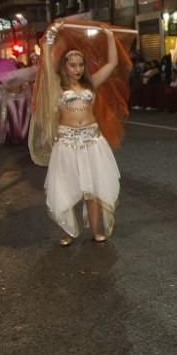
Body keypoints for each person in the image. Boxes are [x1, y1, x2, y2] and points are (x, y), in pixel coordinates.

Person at [31, 22, 131, 246]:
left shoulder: (91, 83)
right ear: (64, 66)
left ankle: (96, 230)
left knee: (92, 190)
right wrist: (50, 38)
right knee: (67, 187)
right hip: (67, 142)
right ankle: (68, 230)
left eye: (80, 65)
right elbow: (46, 65)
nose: (77, 69)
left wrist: (109, 37)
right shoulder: (57, 86)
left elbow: (113, 63)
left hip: (92, 141)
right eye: (72, 65)